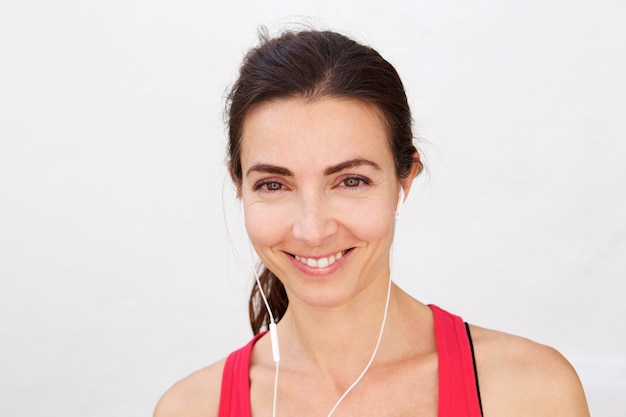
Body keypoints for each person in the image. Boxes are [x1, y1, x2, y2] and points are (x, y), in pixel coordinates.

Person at [154, 29, 589, 417]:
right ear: (239, 185)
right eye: (273, 185)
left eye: (351, 180)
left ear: (405, 179)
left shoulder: (529, 393)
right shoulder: (189, 408)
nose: (311, 229)